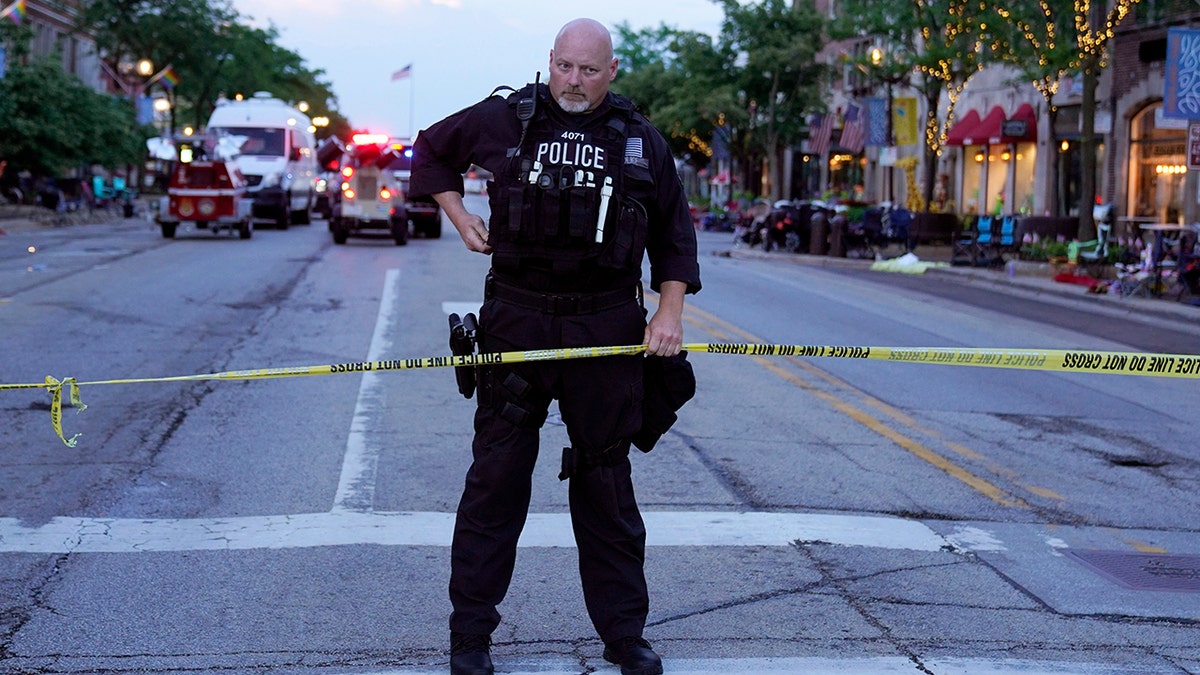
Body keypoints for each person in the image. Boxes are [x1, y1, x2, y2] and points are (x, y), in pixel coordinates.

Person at [409, 17, 701, 675]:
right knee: (495, 481)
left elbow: (673, 235)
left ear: (612, 71)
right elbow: (428, 152)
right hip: (518, 321)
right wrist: (459, 217)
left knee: (606, 483)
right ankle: (470, 638)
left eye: (589, 70)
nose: (574, 81)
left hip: (605, 328)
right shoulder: (505, 118)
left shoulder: (639, 141)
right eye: (565, 67)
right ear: (550, 62)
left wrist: (669, 311)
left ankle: (625, 636)